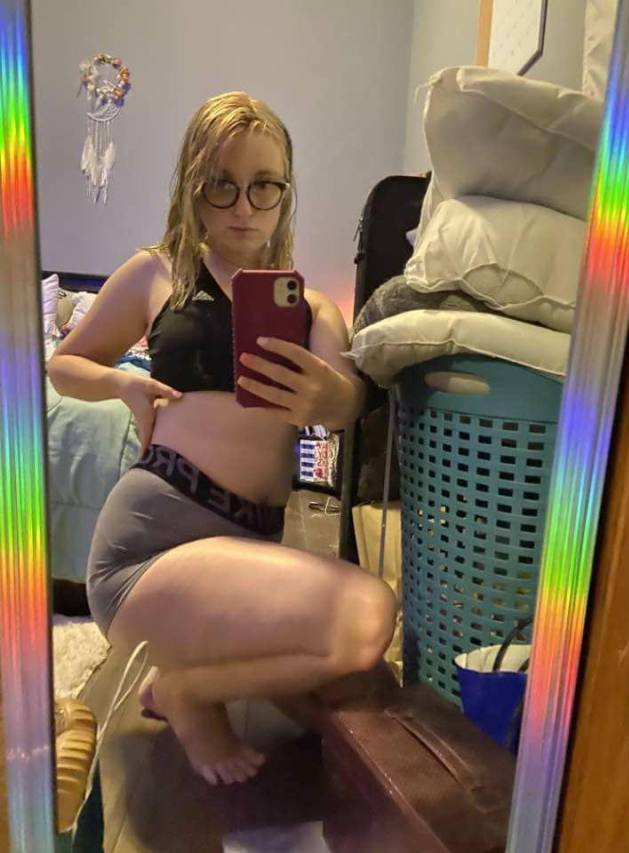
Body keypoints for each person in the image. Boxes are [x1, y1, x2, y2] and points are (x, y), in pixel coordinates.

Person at [48, 92, 397, 787]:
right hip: (150, 547)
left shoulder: (312, 307)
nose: (243, 207)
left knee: (350, 700)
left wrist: (332, 397)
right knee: (368, 615)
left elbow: (348, 401)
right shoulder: (158, 273)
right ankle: (186, 690)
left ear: (285, 193)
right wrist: (123, 385)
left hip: (246, 545)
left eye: (264, 185)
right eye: (221, 185)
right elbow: (64, 364)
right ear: (193, 186)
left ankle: (188, 678)